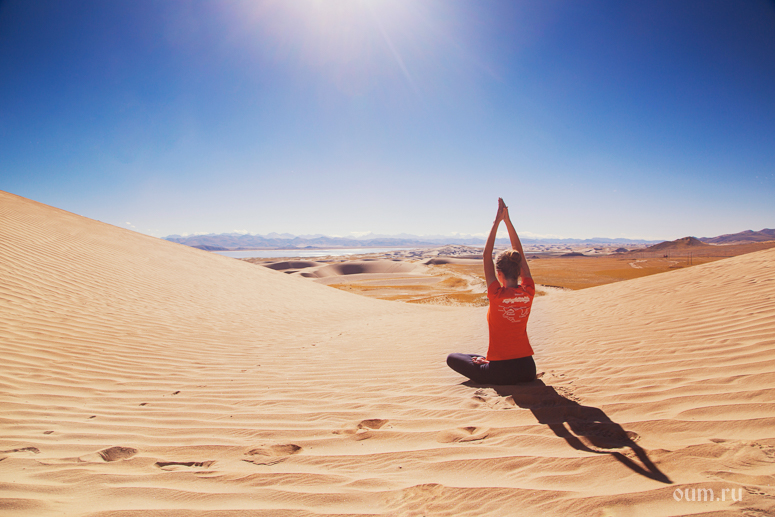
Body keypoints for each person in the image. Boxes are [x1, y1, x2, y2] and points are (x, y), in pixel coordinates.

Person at [446, 198, 537, 384]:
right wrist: (507, 221)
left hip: (501, 371)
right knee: (475, 357)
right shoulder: (528, 291)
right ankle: (488, 359)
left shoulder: (496, 294)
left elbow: (486, 255)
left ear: (499, 273)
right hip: (528, 369)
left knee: (453, 358)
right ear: (519, 270)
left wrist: (497, 221)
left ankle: (488, 361)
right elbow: (518, 253)